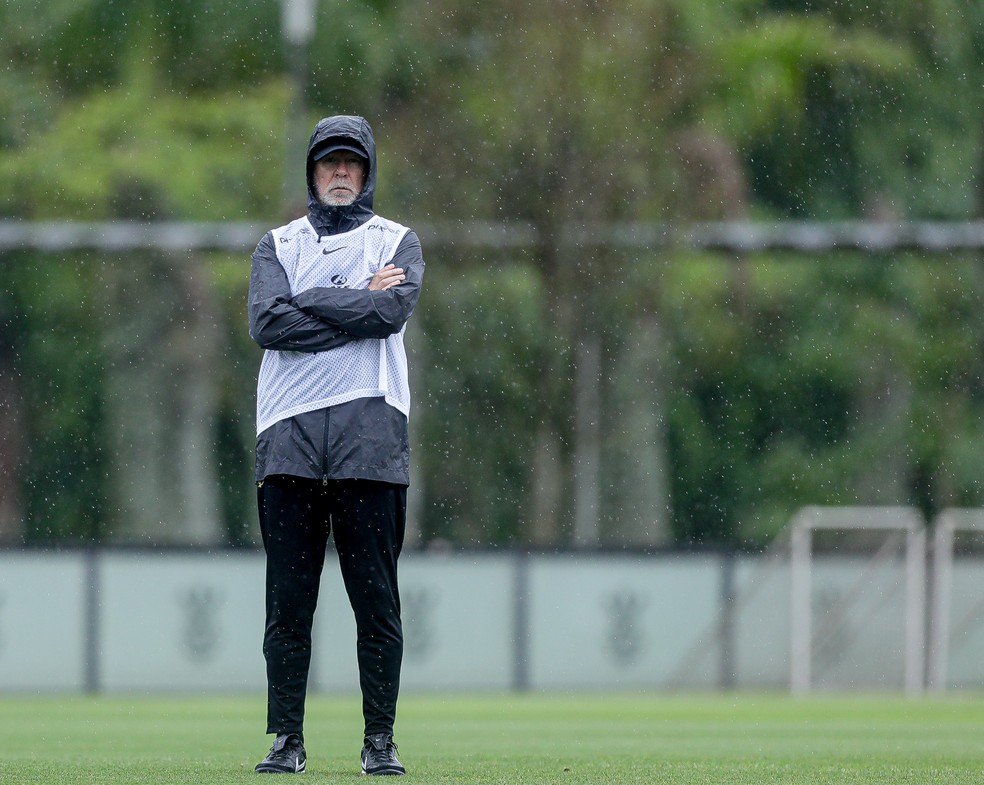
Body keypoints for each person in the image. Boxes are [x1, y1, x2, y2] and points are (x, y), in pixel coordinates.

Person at [247, 114, 424, 776]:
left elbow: (391, 312)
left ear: (369, 170)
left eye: (352, 162)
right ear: (312, 172)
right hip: (288, 443)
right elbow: (267, 321)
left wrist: (309, 305)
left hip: (370, 443)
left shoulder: (398, 240)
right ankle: (285, 738)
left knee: (375, 603)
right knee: (287, 608)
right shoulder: (277, 243)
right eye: (329, 162)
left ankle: (380, 740)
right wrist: (349, 300)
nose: (341, 172)